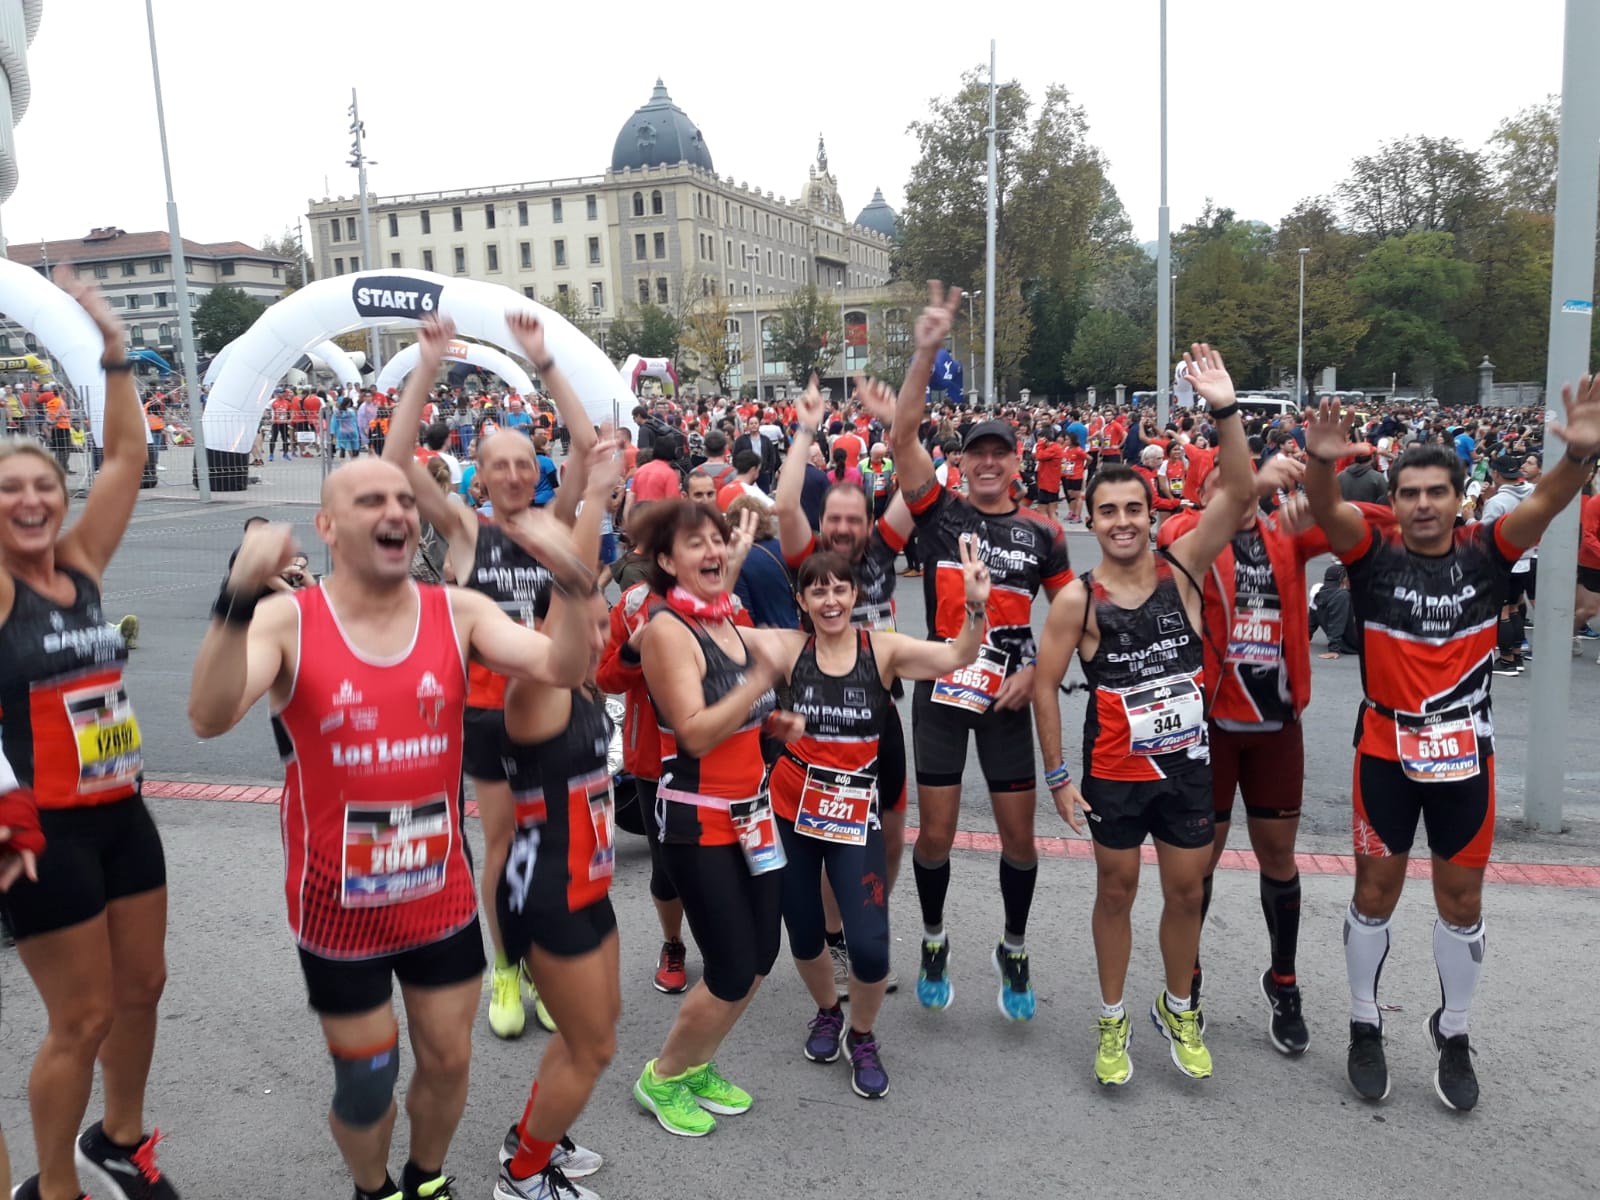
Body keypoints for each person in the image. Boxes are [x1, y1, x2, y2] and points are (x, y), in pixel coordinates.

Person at [189, 458, 602, 1200]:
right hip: (334, 905)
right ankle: (372, 1188)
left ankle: (425, 1177)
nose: (397, 511)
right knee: (367, 1082)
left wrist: (572, 577)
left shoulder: (459, 611)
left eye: (406, 500)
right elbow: (210, 716)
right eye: (371, 499)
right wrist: (236, 598)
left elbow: (563, 666)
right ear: (326, 527)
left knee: (447, 1060)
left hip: (437, 896)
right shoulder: (289, 619)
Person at [1301, 382, 1600, 1112]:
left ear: (1458, 498)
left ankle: (1454, 1032)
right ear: (1395, 501)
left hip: (1467, 755)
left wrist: (1582, 455)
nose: (1424, 504)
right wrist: (1318, 462)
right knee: (1374, 893)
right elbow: (1328, 509)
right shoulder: (1371, 556)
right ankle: (1364, 1023)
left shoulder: (1488, 551)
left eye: (1437, 491)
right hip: (1384, 752)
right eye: (1411, 493)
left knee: (1460, 901)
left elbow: (1549, 502)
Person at [0, 272, 180, 1200]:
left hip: (123, 812)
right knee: (81, 1018)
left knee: (143, 989)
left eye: (43, 485)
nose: (30, 500)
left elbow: (122, 454)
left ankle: (120, 1137)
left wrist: (112, 352)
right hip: (47, 834)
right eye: (9, 490)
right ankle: (54, 1188)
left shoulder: (78, 563)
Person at [1033, 343, 1254, 1087]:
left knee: (1188, 890)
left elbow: (1241, 493)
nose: (1123, 521)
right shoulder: (1077, 599)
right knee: (1117, 890)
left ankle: (1180, 1004)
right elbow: (1043, 684)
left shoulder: (1185, 566)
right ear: (1088, 519)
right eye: (1108, 511)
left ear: (1151, 512)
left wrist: (1223, 407)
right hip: (1115, 772)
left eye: (1134, 508)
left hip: (1186, 769)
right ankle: (1112, 1017)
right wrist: (1059, 777)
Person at [383, 314, 597, 1041]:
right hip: (484, 713)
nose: (513, 474)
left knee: (554, 841)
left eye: (524, 462)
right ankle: (506, 965)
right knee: (505, 842)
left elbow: (590, 447)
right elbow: (394, 457)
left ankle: (540, 957)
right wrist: (425, 367)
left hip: (554, 705)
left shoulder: (554, 519)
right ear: (480, 469)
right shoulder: (468, 530)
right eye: (498, 463)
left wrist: (545, 362)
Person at [882, 282, 1072, 1021]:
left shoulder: (1042, 533)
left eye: (999, 453)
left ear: (1015, 461)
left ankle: (1014, 946)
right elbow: (901, 439)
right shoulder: (939, 513)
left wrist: (1036, 670)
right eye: (976, 453)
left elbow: (1070, 617)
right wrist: (926, 349)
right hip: (942, 692)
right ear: (960, 462)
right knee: (934, 833)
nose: (987, 463)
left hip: (1003, 700)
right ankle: (932, 936)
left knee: (1019, 839)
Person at [755, 544, 990, 1100]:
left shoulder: (881, 652)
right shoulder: (789, 648)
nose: (831, 599)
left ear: (855, 595)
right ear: (802, 599)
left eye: (840, 588)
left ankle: (862, 1035)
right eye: (819, 590)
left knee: (870, 946)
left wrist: (976, 609)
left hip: (855, 817)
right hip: (793, 812)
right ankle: (827, 1014)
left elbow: (958, 656)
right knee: (806, 933)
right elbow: (715, 642)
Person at [630, 499, 800, 1139]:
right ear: (668, 561)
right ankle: (663, 1075)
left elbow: (739, 720)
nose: (712, 551)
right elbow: (696, 733)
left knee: (761, 953)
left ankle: (698, 1063)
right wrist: (758, 684)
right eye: (694, 543)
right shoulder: (669, 629)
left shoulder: (728, 619)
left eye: (718, 540)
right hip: (698, 823)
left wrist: (769, 721)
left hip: (752, 814)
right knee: (729, 967)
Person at [492, 455, 620, 1200]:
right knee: (593, 1044)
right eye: (587, 628)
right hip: (549, 892)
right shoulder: (534, 690)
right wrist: (592, 502)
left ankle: (533, 1134)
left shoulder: (583, 688)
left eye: (605, 628)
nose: (598, 641)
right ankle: (522, 1174)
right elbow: (570, 595)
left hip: (588, 883)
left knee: (597, 1031)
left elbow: (581, 595)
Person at [1479, 454, 1536, 675]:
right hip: (1526, 558)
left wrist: (1470, 516)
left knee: (1502, 611)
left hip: (1503, 562)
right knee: (1514, 607)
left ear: (1495, 474)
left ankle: (1506, 659)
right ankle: (1517, 654)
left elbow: (1484, 534)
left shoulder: (1497, 502)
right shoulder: (1531, 493)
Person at [1309, 563, 1361, 658]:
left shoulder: (1317, 593)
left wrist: (1305, 637)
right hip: (1354, 645)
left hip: (1346, 642)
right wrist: (1333, 649)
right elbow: (1337, 621)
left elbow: (1312, 619)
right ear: (1344, 579)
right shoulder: (1342, 596)